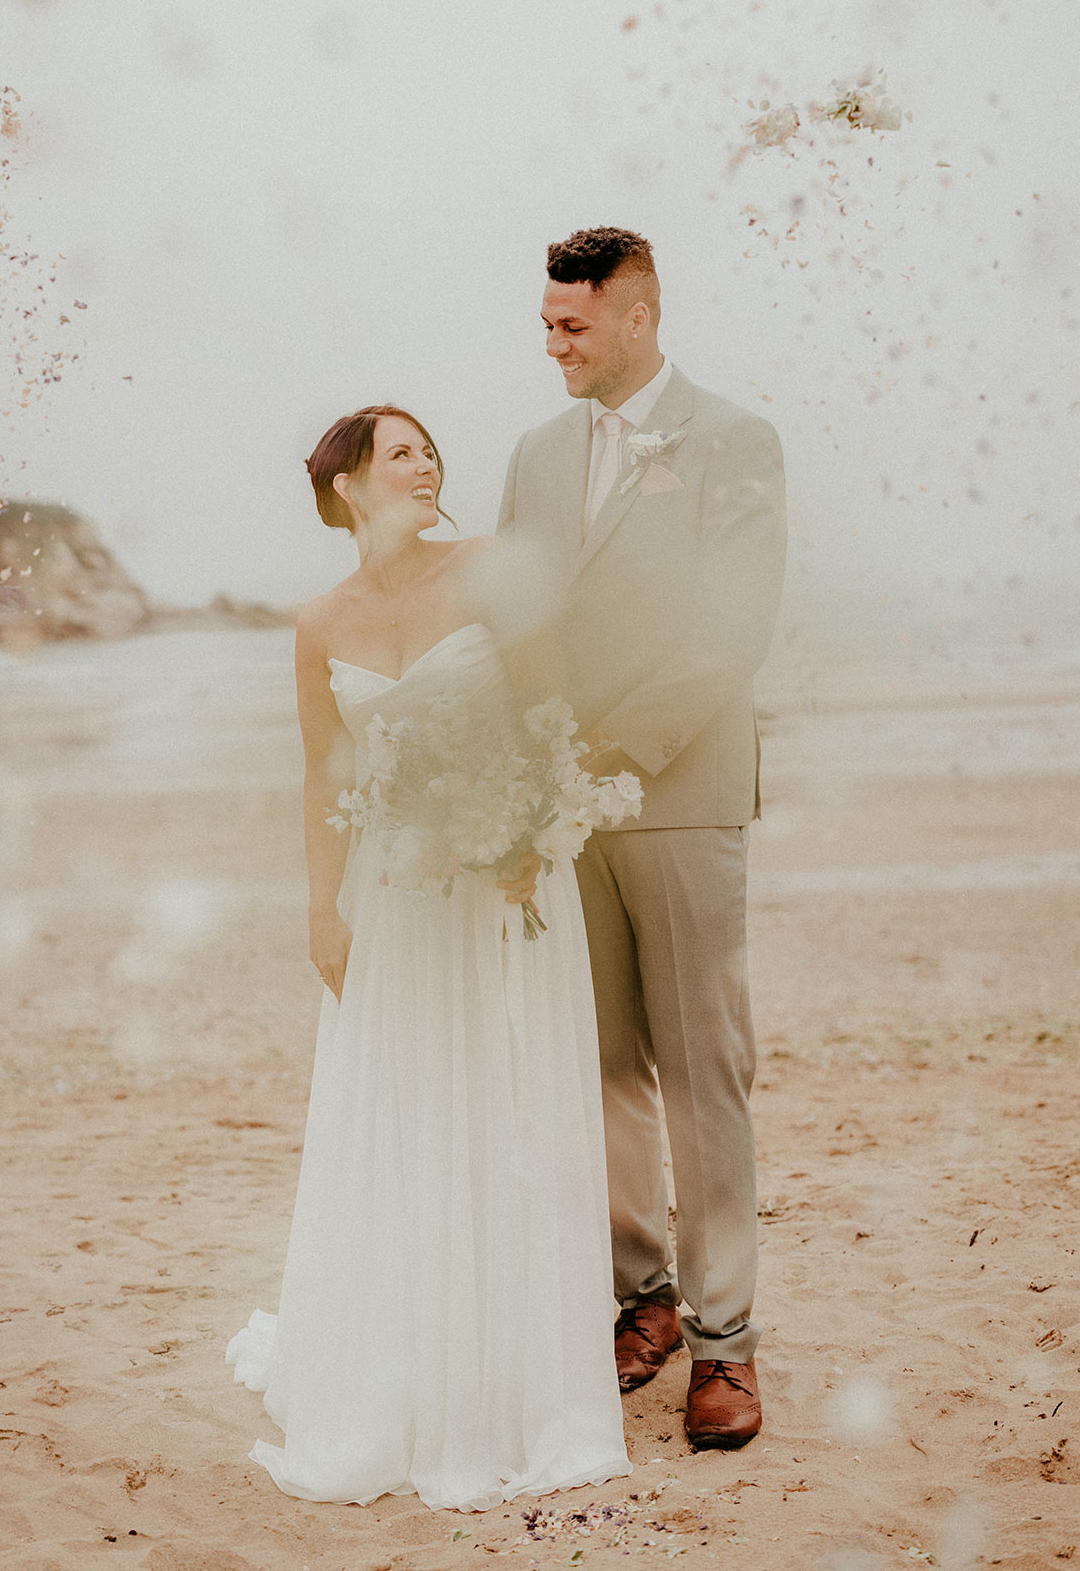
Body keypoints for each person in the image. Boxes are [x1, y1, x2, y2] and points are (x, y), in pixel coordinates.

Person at [226, 405, 629, 1512]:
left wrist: (532, 829)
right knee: (409, 1113)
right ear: (348, 487)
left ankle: (517, 1378)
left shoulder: (489, 568)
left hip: (503, 881)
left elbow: (552, 708)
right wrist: (322, 911)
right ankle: (405, 1366)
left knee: (507, 1107)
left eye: (431, 451)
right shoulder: (318, 623)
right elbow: (324, 779)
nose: (428, 465)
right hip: (394, 897)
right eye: (401, 452)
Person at [498, 227, 786, 1450]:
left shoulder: (736, 441)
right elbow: (514, 620)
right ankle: (644, 1297)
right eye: (547, 320)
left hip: (677, 796)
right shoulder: (532, 455)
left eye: (572, 322)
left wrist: (607, 754)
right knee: (601, 1066)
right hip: (560, 815)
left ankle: (726, 1347)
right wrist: (520, 768)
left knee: (703, 1075)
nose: (551, 341)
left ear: (639, 315)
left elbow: (733, 628)